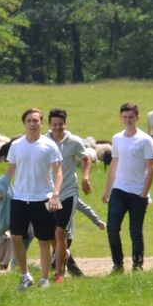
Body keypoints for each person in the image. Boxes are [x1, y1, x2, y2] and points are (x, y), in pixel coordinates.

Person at [5, 108, 64, 289]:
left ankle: (44, 279)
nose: (33, 124)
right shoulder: (16, 145)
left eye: (36, 120)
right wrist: (0, 188)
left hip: (43, 198)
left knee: (44, 240)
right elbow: (10, 170)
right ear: (24, 123)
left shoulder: (49, 145)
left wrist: (55, 194)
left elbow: (58, 172)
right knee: (15, 237)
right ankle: (25, 276)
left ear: (41, 123)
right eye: (29, 121)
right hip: (20, 198)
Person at [46, 108, 103, 278]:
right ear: (49, 124)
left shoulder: (74, 141)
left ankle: (59, 274)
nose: (57, 128)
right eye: (54, 124)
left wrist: (85, 178)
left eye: (60, 124)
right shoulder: (43, 141)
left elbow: (87, 158)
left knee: (60, 232)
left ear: (65, 124)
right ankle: (65, 256)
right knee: (50, 234)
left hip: (69, 192)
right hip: (48, 194)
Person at [102, 102, 153, 271]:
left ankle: (137, 265)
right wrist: (107, 190)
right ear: (121, 118)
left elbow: (151, 167)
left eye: (131, 117)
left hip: (138, 192)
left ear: (137, 118)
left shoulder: (145, 140)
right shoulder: (117, 138)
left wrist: (144, 193)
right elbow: (114, 163)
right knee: (112, 228)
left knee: (135, 232)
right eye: (125, 117)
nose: (128, 120)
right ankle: (118, 265)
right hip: (119, 189)